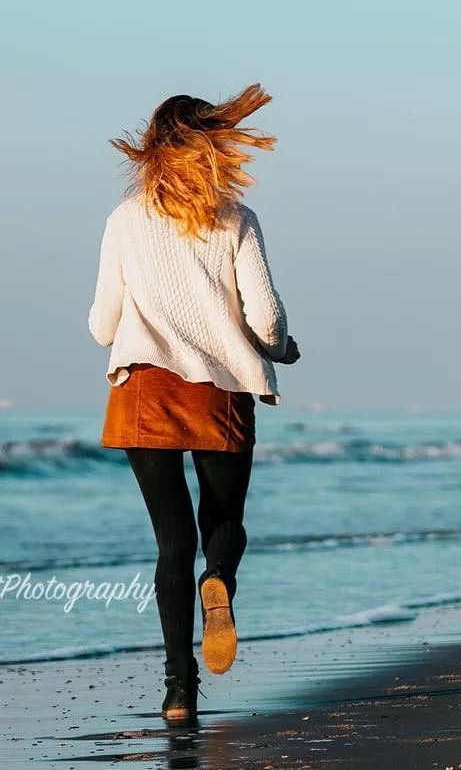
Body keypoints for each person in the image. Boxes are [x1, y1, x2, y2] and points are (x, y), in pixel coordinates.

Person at [89, 84, 300, 725]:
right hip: (222, 390)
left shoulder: (125, 218)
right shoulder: (235, 218)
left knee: (170, 545)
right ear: (215, 147)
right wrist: (283, 348)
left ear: (152, 149)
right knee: (225, 524)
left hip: (144, 392)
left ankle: (179, 691)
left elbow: (104, 325)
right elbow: (264, 320)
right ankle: (222, 583)